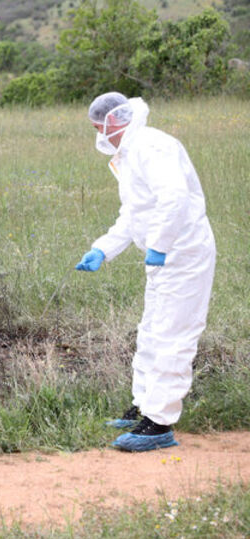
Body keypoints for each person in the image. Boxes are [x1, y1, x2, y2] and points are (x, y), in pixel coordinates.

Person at [74, 92, 215, 452]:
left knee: (172, 336)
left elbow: (174, 198)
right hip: (163, 259)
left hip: (184, 254)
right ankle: (143, 405)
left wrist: (161, 245)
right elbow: (134, 213)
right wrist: (103, 248)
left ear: (114, 121)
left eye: (99, 128)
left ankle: (159, 423)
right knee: (151, 332)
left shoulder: (152, 146)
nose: (99, 136)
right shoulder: (130, 152)